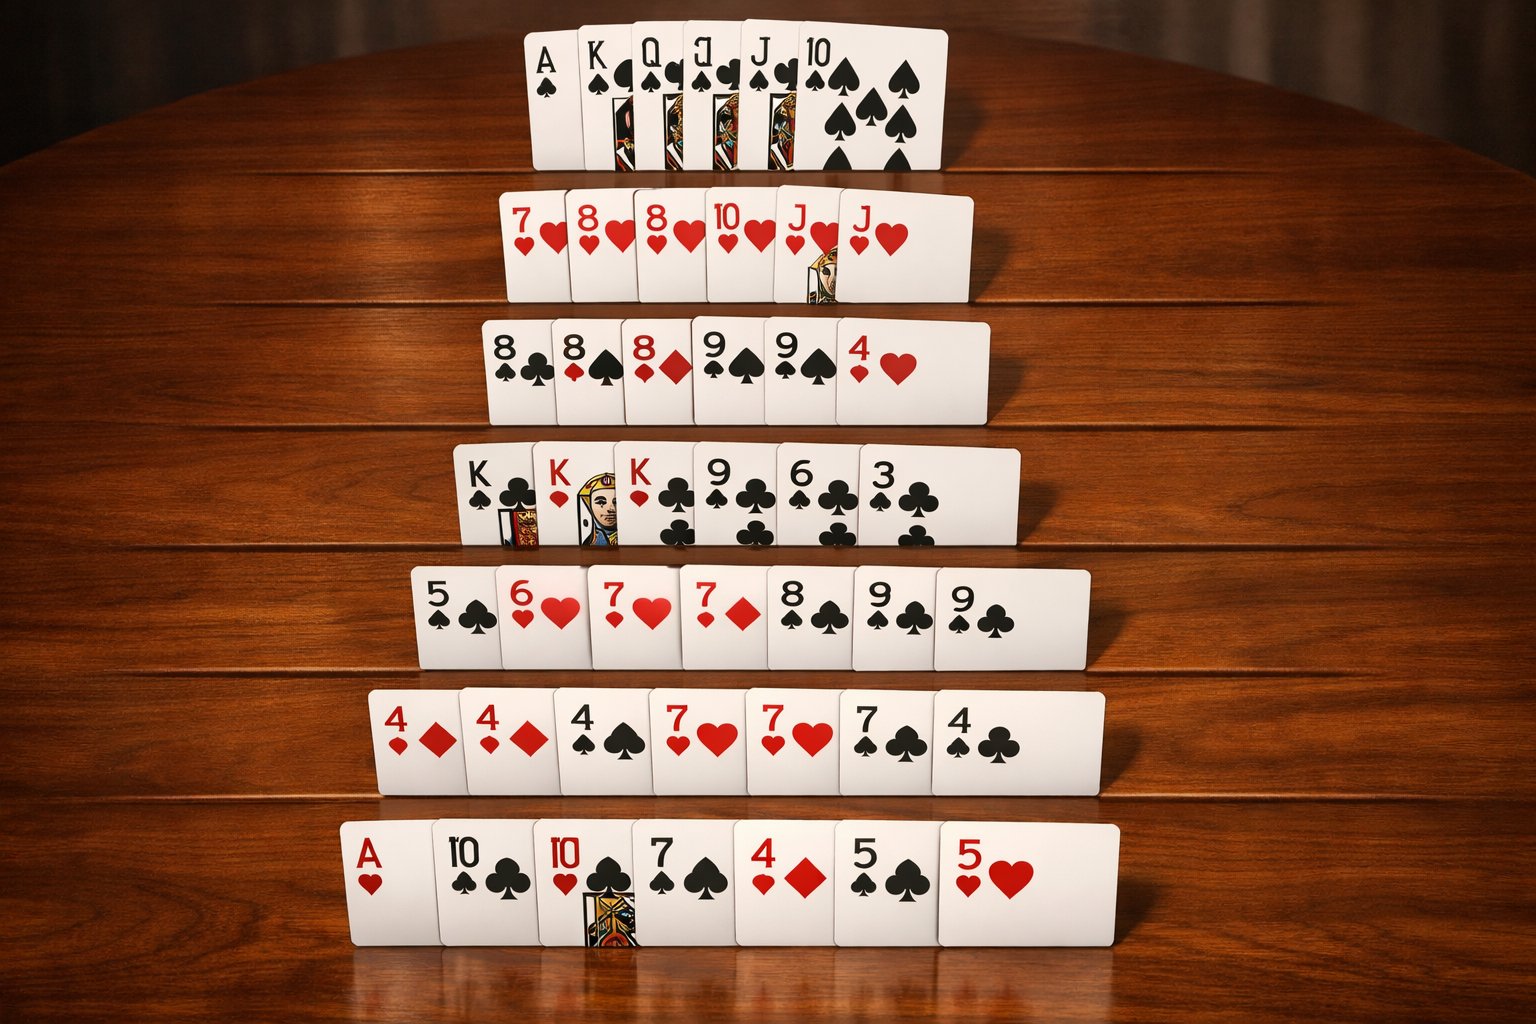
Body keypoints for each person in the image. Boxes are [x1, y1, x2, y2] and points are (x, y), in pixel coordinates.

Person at [578, 472, 618, 546]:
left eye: (615, 502)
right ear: (589, 505)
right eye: (601, 502)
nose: (611, 509)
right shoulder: (588, 543)